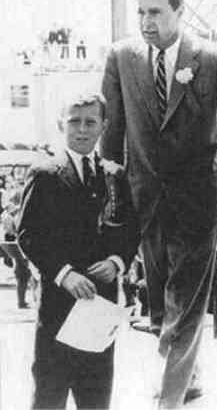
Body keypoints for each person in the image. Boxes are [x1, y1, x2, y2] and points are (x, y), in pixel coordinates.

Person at [101, 0, 217, 409]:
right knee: (160, 307)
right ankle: (189, 376)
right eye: (140, 12)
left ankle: (169, 400)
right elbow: (111, 133)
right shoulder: (121, 57)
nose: (145, 21)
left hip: (198, 204)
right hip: (144, 201)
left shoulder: (212, 58)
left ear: (180, 11)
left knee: (186, 305)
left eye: (155, 12)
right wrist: (106, 191)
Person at [17, 92, 137, 409]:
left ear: (104, 126)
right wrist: (64, 274)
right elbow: (28, 234)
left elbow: (131, 230)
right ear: (61, 123)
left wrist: (117, 262)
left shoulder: (115, 175)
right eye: (74, 121)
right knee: (49, 394)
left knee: (96, 396)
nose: (82, 130)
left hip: (101, 306)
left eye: (90, 122)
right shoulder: (44, 173)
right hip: (58, 307)